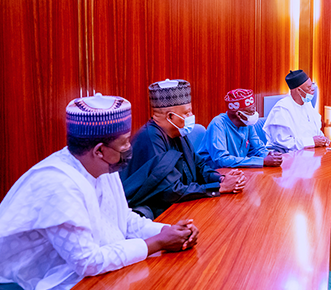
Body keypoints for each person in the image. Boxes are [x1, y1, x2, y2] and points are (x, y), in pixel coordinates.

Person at [0, 94, 199, 290]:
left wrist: (168, 231)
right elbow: (87, 262)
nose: (130, 147)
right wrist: (156, 243)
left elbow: (123, 219)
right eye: (125, 142)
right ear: (99, 150)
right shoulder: (57, 185)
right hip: (23, 282)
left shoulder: (105, 165)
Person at [120, 79, 246, 220]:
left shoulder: (178, 132)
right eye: (187, 113)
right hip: (159, 212)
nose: (190, 117)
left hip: (183, 205)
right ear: (170, 117)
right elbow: (168, 190)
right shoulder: (151, 138)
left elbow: (200, 166)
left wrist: (221, 178)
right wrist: (219, 188)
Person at [197, 89, 283, 168]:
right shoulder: (218, 124)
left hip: (237, 170)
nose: (254, 115)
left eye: (254, 110)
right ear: (239, 115)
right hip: (213, 174)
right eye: (251, 112)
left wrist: (270, 155)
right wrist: (262, 161)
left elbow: (257, 148)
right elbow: (221, 160)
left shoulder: (247, 123)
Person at [263, 70, 330, 152]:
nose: (313, 89)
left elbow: (315, 131)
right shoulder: (282, 109)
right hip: (287, 157)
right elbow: (283, 143)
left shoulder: (307, 104)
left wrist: (323, 139)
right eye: (309, 87)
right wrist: (311, 142)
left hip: (309, 153)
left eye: (311, 85)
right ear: (298, 90)